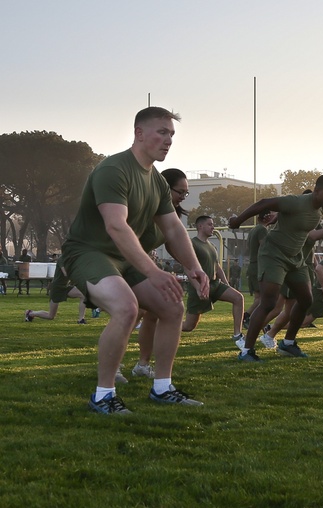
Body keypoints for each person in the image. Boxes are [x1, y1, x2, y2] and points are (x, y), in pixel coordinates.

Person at [59, 106, 210, 413]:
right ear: (139, 133)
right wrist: (153, 271)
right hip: (89, 253)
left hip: (123, 259)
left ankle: (163, 388)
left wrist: (194, 267)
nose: (168, 141)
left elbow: (172, 228)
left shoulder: (155, 181)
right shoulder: (113, 170)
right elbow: (116, 225)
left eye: (171, 135)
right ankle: (103, 395)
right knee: (126, 308)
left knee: (172, 306)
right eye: (162, 132)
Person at [228, 175, 323, 361]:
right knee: (269, 303)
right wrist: (238, 221)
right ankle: (246, 351)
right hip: (274, 255)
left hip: (296, 259)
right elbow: (264, 203)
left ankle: (287, 344)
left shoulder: (320, 209)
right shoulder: (296, 202)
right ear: (317, 191)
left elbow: (295, 222)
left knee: (305, 300)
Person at [132, 167, 188, 379]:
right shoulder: (145, 207)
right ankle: (113, 366)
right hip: (129, 265)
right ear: (165, 187)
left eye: (186, 193)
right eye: (179, 192)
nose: (182, 197)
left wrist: (191, 268)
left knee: (156, 312)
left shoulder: (172, 214)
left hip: (147, 266)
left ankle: (143, 365)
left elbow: (173, 242)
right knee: (130, 312)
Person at [181, 215, 246, 346]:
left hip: (215, 285)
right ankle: (159, 325)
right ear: (200, 226)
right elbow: (187, 268)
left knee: (238, 298)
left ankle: (237, 335)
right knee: (188, 326)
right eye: (210, 224)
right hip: (200, 287)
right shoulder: (192, 244)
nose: (213, 227)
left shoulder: (212, 246)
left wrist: (227, 285)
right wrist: (198, 287)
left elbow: (217, 267)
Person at [243, 209, 277, 327]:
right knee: (262, 298)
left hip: (254, 265)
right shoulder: (262, 230)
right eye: (273, 214)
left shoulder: (254, 229)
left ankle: (250, 318)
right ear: (266, 217)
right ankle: (246, 316)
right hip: (258, 266)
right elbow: (265, 247)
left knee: (259, 297)